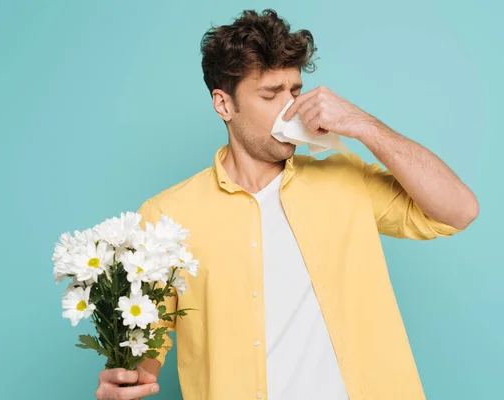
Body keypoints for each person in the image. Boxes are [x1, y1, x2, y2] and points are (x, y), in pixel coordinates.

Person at [95, 8, 479, 400]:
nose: (290, 108)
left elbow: (459, 209)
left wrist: (363, 124)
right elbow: (145, 347)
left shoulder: (345, 179)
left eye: (294, 91)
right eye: (269, 94)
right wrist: (123, 382)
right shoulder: (166, 216)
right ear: (224, 105)